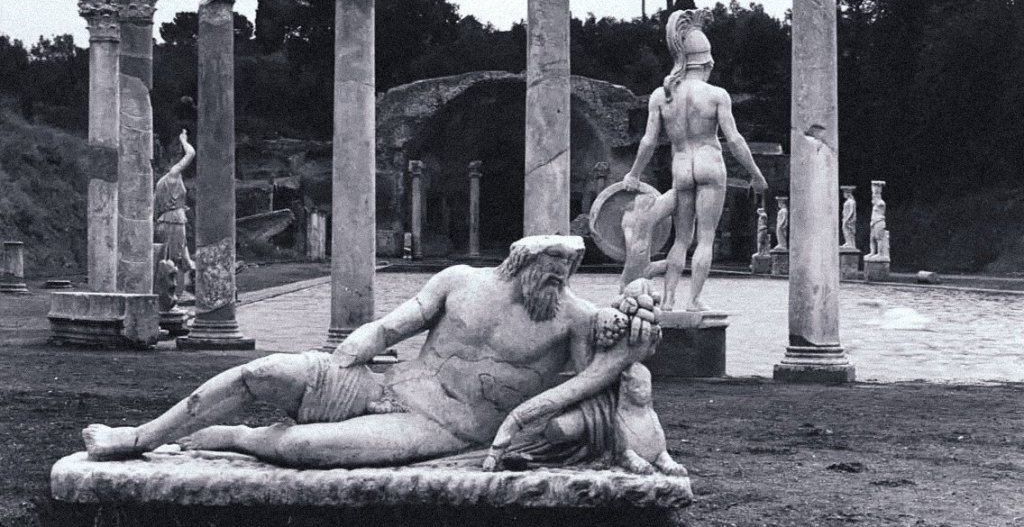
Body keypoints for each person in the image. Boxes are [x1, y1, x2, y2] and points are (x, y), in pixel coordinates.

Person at [83, 235, 659, 469]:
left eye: (568, 270)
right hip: (388, 384)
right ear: (522, 262)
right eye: (552, 268)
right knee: (263, 371)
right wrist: (362, 343)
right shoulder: (461, 281)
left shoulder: (576, 318)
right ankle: (138, 437)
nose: (560, 279)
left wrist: (626, 344)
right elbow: (394, 325)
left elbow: (594, 382)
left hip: (443, 427)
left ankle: (238, 438)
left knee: (302, 448)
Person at [623, 9, 768, 312]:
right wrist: (755, 174)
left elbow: (649, 141)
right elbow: (735, 140)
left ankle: (668, 300)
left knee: (681, 240)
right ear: (707, 62)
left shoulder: (661, 96)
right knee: (706, 238)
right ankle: (693, 301)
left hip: (681, 168)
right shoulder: (716, 95)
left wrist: (633, 174)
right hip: (709, 165)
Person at [154, 129, 196, 292]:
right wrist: (184, 140)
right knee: (174, 256)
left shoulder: (160, 183)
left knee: (180, 254)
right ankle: (176, 290)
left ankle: (185, 285)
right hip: (174, 220)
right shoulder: (172, 175)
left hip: (168, 219)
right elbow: (191, 154)